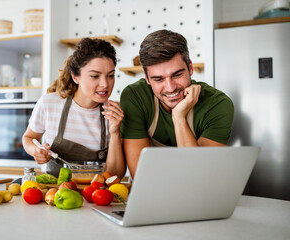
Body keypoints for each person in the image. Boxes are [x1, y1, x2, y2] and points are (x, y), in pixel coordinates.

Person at [120, 30, 234, 178]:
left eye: (177, 74)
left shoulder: (218, 105)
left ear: (190, 68)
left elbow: (200, 175)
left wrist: (179, 117)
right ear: (147, 78)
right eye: (158, 79)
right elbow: (141, 175)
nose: (170, 87)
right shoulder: (135, 97)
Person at [23, 38, 126, 179]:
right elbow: (29, 138)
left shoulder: (114, 114)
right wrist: (36, 151)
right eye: (95, 76)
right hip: (54, 195)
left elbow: (115, 176)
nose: (105, 84)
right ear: (75, 77)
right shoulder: (49, 104)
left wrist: (114, 132)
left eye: (111, 76)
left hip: (95, 196)